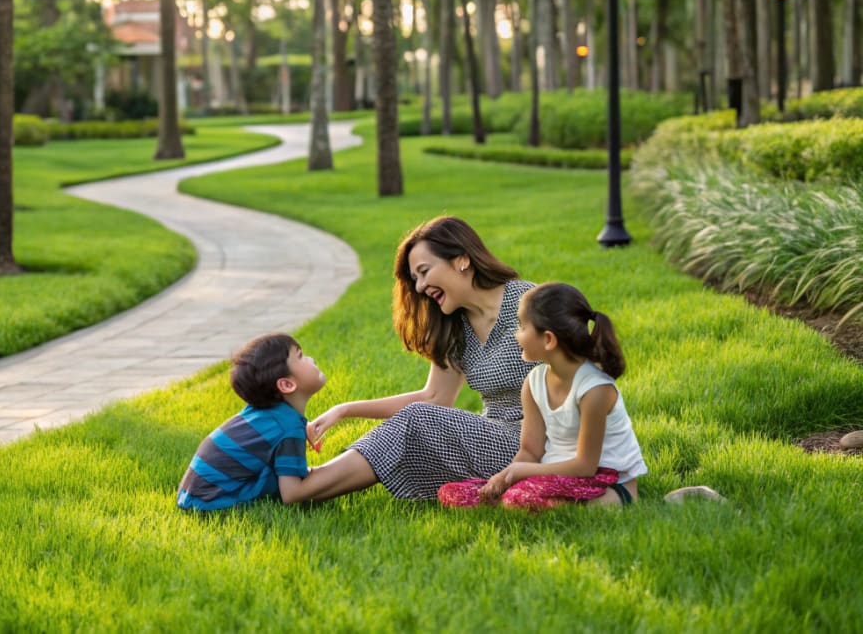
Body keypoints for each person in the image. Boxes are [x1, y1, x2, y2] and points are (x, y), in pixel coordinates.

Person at [296, 216, 538, 502]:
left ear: (461, 260)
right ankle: (311, 483)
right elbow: (434, 398)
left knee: (416, 420)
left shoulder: (530, 303)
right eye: (415, 279)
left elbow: (580, 379)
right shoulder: (455, 327)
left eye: (424, 271)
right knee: (417, 432)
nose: (420, 286)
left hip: (539, 445)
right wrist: (345, 409)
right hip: (495, 438)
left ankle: (308, 486)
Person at [438, 282, 648, 510]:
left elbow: (586, 466)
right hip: (553, 473)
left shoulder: (594, 390)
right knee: (454, 492)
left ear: (548, 339)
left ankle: (615, 499)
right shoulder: (534, 382)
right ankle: (518, 500)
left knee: (520, 499)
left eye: (521, 326)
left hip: (605, 478)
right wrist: (504, 477)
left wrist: (524, 473)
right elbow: (530, 451)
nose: (517, 336)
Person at [177, 332, 328, 510]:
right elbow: (292, 493)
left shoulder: (267, 415)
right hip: (211, 502)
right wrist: (339, 472)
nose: (310, 359)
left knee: (285, 471)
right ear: (287, 385)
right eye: (301, 356)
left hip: (192, 495)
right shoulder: (288, 427)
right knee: (297, 477)